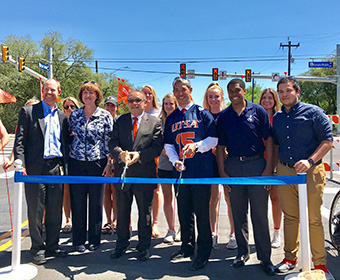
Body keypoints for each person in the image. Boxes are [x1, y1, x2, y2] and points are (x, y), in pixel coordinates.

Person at [272, 77, 334, 279]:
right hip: (285, 172)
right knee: (290, 217)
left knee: (313, 219)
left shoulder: (313, 112)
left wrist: (310, 160)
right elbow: (276, 144)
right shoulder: (278, 117)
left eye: (288, 91)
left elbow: (327, 140)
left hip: (310, 172)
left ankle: (320, 264)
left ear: (297, 92)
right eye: (280, 92)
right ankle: (290, 258)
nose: (284, 95)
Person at [216, 78, 275, 276]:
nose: (234, 93)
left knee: (259, 214)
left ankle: (265, 258)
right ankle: (242, 252)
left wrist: (268, 168)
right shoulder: (224, 116)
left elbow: (268, 140)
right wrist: (223, 172)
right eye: (231, 90)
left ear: (244, 90)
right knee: (239, 213)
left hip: (257, 166)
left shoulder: (257, 111)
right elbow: (221, 147)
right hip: (233, 166)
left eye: (237, 90)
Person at [164, 77, 217, 271]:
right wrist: (174, 160)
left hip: (201, 171)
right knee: (184, 211)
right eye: (176, 89)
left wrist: (196, 146)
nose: (179, 93)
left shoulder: (203, 114)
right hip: (180, 172)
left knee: (202, 213)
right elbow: (168, 144)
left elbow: (213, 139)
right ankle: (187, 246)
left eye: (182, 89)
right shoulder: (171, 117)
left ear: (190, 89)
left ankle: (204, 252)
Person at [13, 79, 68, 265]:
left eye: (53, 89)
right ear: (42, 91)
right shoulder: (29, 112)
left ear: (58, 92)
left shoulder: (62, 117)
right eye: (46, 89)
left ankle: (53, 245)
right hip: (35, 168)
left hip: (55, 168)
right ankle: (37, 248)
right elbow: (19, 140)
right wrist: (21, 164)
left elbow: (65, 144)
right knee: (36, 210)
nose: (49, 92)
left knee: (54, 210)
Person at [109, 89, 163, 261]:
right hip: (123, 174)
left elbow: (156, 147)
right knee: (122, 212)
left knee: (144, 213)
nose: (134, 103)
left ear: (145, 102)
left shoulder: (155, 122)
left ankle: (143, 246)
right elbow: (112, 142)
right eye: (131, 100)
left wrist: (140, 156)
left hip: (144, 174)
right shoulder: (120, 120)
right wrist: (120, 154)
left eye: (137, 100)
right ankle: (121, 244)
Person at [68, 81, 113, 253]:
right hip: (76, 163)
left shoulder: (105, 116)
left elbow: (109, 141)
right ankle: (78, 240)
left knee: (95, 203)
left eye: (91, 93)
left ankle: (94, 239)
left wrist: (110, 163)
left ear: (97, 96)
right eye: (85, 92)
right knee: (78, 203)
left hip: (98, 163)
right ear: (81, 96)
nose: (88, 95)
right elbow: (69, 137)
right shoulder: (74, 115)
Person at [202, 82, 237, 250]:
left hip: (228, 163)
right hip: (209, 163)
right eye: (210, 96)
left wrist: (227, 150)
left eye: (216, 96)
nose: (214, 99)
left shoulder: (228, 115)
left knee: (230, 200)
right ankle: (213, 233)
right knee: (211, 200)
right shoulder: (203, 116)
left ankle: (233, 234)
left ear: (222, 98)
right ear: (207, 99)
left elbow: (234, 137)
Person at [259, 88, 282, 248]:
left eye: (270, 98)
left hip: (274, 164)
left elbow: (278, 145)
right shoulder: (256, 118)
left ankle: (277, 232)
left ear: (275, 101)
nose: (267, 101)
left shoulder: (278, 119)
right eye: (264, 98)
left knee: (275, 199)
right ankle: (262, 235)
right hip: (257, 165)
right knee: (260, 203)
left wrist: (273, 166)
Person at [158, 93, 179, 244]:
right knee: (168, 197)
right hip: (165, 164)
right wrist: (170, 154)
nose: (168, 106)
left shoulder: (182, 120)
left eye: (171, 104)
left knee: (182, 198)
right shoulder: (159, 122)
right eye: (166, 104)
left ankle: (182, 228)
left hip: (181, 165)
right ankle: (170, 229)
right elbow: (157, 145)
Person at [142, 85, 162, 238]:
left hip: (158, 155)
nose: (147, 96)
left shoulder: (159, 113)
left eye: (149, 94)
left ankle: (155, 222)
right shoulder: (137, 112)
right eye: (144, 94)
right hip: (142, 158)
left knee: (156, 190)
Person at [61, 97, 80, 234]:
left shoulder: (79, 120)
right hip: (65, 159)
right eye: (66, 107)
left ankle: (81, 220)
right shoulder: (61, 121)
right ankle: (68, 219)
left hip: (79, 160)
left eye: (72, 106)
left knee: (80, 193)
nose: (69, 110)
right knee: (66, 192)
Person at [102, 95, 119, 234]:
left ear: (116, 107)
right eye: (107, 105)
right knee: (106, 192)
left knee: (116, 191)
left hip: (116, 161)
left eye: (112, 105)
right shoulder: (101, 120)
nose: (109, 108)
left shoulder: (119, 122)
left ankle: (116, 220)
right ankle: (108, 220)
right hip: (103, 160)